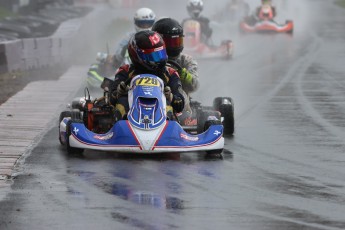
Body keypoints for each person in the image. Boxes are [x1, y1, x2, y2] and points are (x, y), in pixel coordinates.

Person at [110, 31, 185, 119]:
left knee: (168, 107)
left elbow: (180, 104)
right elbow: (111, 100)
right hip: (131, 116)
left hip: (161, 119)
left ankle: (166, 127)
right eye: (153, 56)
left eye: (160, 54)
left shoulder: (170, 73)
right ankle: (123, 128)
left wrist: (170, 97)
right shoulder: (125, 71)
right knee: (121, 104)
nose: (159, 60)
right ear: (136, 55)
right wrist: (119, 92)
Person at [152, 17, 199, 116]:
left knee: (179, 93)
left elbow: (194, 85)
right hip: (152, 93)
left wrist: (185, 76)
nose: (175, 46)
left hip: (178, 99)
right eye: (171, 43)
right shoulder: (150, 58)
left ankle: (183, 116)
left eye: (178, 42)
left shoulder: (186, 60)